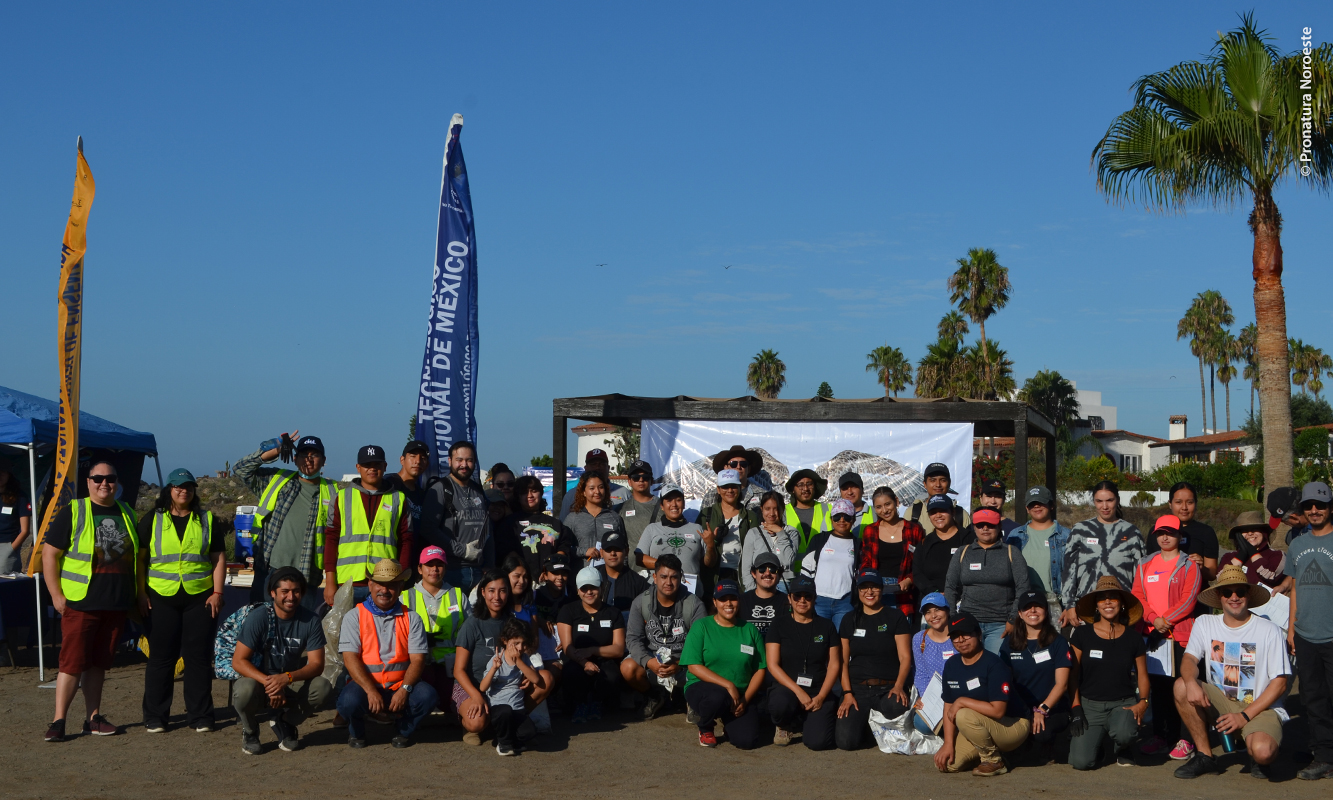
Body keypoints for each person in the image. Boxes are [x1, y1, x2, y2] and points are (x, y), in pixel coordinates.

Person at [42, 461, 143, 741]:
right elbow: (49, 555)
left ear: (117, 482)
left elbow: (137, 558)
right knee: (71, 663)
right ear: (88, 482)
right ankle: (58, 721)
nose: (104, 483)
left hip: (115, 603)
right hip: (80, 602)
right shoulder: (73, 511)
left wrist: (138, 595)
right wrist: (56, 595)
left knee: (99, 664)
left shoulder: (127, 513)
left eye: (110, 478)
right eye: (98, 478)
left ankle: (93, 718)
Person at [1172, 564, 1289, 779]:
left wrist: (1244, 715)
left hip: (1258, 706)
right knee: (1181, 685)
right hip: (1220, 702)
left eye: (1240, 592)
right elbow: (1189, 658)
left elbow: (1280, 682)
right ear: (1219, 596)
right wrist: (1190, 682)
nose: (1234, 597)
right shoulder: (1205, 622)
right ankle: (1205, 755)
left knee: (1264, 752)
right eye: (1227, 592)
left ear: (1249, 595)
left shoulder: (1268, 629)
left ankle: (1256, 749)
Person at [138, 469, 228, 733]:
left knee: (198, 658)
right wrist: (140, 593)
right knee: (161, 659)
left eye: (188, 487)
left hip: (200, 597)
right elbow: (140, 560)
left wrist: (218, 593)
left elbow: (218, 558)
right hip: (160, 597)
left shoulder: (206, 519)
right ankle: (155, 716)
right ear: (169, 490)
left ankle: (201, 716)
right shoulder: (152, 520)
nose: (183, 491)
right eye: (177, 486)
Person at [230, 567, 332, 755]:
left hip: (289, 679)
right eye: (285, 591)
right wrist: (271, 684)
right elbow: (238, 661)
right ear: (273, 593)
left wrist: (286, 678)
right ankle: (250, 730)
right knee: (243, 690)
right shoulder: (259, 617)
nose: (291, 597)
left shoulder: (310, 620)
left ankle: (286, 721)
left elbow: (317, 665)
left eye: (296, 591)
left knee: (323, 687)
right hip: (259, 680)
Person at [336, 558, 437, 748]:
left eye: (391, 585)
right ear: (370, 584)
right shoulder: (354, 616)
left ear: (400, 588)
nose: (385, 590)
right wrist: (370, 690)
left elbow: (418, 660)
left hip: (399, 685)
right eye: (380, 584)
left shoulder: (412, 618)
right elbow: (349, 658)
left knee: (427, 696)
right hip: (365, 686)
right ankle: (356, 732)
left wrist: (404, 690)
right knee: (348, 701)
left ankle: (403, 730)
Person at [234, 433, 340, 605]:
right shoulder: (278, 480)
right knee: (262, 625)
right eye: (304, 455)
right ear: (295, 458)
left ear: (323, 460)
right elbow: (240, 469)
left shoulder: (333, 492)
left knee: (298, 630)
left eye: (314, 455)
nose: (309, 460)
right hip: (270, 570)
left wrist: (330, 580)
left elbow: (334, 539)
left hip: (306, 575)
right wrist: (269, 451)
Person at [1132, 514, 1203, 759]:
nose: (1165, 537)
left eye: (1170, 533)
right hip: (1152, 636)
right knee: (1158, 689)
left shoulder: (1189, 565)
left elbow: (1189, 599)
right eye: (1161, 533)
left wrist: (1167, 620)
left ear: (1179, 536)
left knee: (1182, 689)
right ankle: (1162, 735)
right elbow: (1138, 597)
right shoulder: (1144, 564)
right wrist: (1153, 619)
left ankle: (1186, 738)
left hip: (1179, 636)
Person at [1068, 576, 1150, 770]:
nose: (1107, 602)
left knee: (1125, 733)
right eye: (1102, 598)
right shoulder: (1081, 634)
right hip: (1089, 705)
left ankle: (1122, 746)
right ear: (1096, 605)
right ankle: (1099, 743)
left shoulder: (1133, 637)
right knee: (1081, 763)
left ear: (1121, 604)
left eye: (1113, 598)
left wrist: (1143, 702)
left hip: (1123, 704)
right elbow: (1072, 675)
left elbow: (1142, 674)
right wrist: (1076, 707)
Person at [933, 611, 1028, 776]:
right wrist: (948, 743)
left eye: (966, 634)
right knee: (948, 765)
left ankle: (994, 760)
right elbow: (948, 704)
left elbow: (998, 711)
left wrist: (962, 700)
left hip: (1013, 725)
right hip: (978, 724)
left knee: (963, 714)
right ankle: (987, 750)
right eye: (955, 636)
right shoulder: (951, 665)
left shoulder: (994, 664)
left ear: (978, 633)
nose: (961, 640)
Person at [681, 578, 768, 748]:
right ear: (714, 602)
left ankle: (728, 722)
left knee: (747, 741)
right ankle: (705, 726)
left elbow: (760, 669)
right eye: (722, 599)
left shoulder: (750, 630)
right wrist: (728, 685)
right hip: (704, 688)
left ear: (739, 601)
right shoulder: (701, 626)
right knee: (717, 697)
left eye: (733, 598)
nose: (728, 603)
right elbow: (693, 665)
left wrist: (745, 699)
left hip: (739, 693)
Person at [322, 445, 412, 608]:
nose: (372, 469)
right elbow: (331, 539)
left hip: (384, 583)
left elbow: (406, 541)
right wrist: (330, 582)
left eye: (376, 465)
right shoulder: (341, 497)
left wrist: (401, 580)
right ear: (358, 467)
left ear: (384, 467)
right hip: (347, 583)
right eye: (366, 465)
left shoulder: (398, 499)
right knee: (347, 632)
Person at [836, 568, 914, 750]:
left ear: (882, 589)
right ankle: (866, 727)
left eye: (874, 587)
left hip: (888, 688)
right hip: (858, 690)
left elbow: (905, 657)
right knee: (846, 742)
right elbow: (842, 661)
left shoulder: (895, 617)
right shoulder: (849, 619)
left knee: (896, 706)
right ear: (858, 590)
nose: (869, 592)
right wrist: (847, 694)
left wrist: (898, 686)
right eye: (864, 587)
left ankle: (874, 725)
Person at [622, 554, 706, 719]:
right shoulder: (640, 603)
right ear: (654, 577)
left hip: (685, 663)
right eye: (663, 576)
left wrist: (680, 664)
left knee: (710, 664)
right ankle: (654, 696)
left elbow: (700, 644)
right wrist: (648, 661)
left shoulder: (695, 605)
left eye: (674, 577)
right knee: (627, 667)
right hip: (654, 662)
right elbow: (633, 639)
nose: (669, 582)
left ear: (681, 577)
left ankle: (691, 697)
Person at [1287, 481, 1333, 780]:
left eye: (1320, 505)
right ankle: (1324, 755)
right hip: (1304, 635)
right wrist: (1291, 630)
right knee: (1312, 697)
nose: (1314, 510)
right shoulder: (1297, 545)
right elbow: (1294, 589)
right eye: (1308, 506)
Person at [765, 574, 839, 749]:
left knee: (817, 742)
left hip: (818, 689)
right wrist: (798, 692)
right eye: (797, 596)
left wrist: (821, 696)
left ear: (815, 599)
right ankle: (784, 724)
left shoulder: (827, 626)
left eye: (808, 596)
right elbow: (772, 664)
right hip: (788, 688)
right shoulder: (779, 624)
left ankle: (806, 719)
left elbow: (835, 664)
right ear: (790, 598)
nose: (802, 600)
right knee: (780, 704)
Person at [1060, 481, 1145, 629]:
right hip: (1086, 611)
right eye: (1099, 501)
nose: (1104, 506)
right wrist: (1069, 605)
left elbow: (1140, 576)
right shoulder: (1080, 530)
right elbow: (1069, 570)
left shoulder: (1132, 532)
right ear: (1093, 502)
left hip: (1121, 612)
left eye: (1109, 500)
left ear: (1117, 500)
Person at [1000, 591, 1072, 763]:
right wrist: (1025, 712)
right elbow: (1004, 680)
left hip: (1051, 708)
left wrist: (1042, 709)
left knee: (1042, 733)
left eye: (1038, 606)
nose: (1032, 611)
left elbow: (1062, 685)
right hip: (1020, 708)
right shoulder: (1009, 643)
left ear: (1046, 611)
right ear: (1020, 613)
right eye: (1027, 607)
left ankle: (1048, 744)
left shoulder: (1058, 642)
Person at [945, 508, 1030, 654]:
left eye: (990, 524)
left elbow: (1023, 587)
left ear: (999, 526)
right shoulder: (963, 552)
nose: (985, 528)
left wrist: (1012, 619)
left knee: (995, 667)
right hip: (967, 623)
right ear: (974, 527)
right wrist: (953, 619)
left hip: (1000, 625)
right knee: (969, 666)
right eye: (980, 524)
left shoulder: (1011, 552)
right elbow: (950, 587)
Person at [455, 569, 521, 746]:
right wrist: (476, 695)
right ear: (483, 592)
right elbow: (458, 670)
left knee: (543, 679)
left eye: (502, 590)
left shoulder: (511, 621)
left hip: (504, 684)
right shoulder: (472, 623)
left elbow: (523, 653)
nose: (497, 596)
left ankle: (505, 724)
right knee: (476, 722)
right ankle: (471, 726)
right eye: (491, 590)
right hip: (472, 685)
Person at [419, 440, 492, 591]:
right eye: (459, 460)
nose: (464, 465)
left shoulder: (478, 490)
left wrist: (490, 565)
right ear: (450, 461)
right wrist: (462, 550)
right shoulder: (440, 489)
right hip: (451, 571)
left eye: (469, 460)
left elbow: (488, 531)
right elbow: (428, 529)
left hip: (479, 571)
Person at [403, 546, 467, 715]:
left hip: (450, 666)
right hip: (418, 664)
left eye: (439, 565)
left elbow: (468, 632)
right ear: (419, 568)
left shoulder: (458, 595)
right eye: (429, 565)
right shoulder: (405, 597)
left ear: (445, 568)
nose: (434, 569)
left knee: (452, 706)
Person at [557, 566, 626, 723]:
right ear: (577, 590)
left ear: (601, 587)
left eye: (593, 587)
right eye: (584, 588)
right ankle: (578, 704)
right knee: (572, 673)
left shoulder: (614, 613)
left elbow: (619, 648)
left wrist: (592, 651)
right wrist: (585, 662)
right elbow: (567, 647)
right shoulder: (568, 610)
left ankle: (598, 703)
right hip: (576, 659)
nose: (589, 592)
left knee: (611, 675)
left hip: (603, 659)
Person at [480, 616, 545, 756]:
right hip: (499, 708)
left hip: (517, 708)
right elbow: (483, 687)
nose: (520, 648)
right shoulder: (497, 659)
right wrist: (494, 669)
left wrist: (519, 661)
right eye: (516, 643)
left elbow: (535, 679)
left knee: (529, 733)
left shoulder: (524, 658)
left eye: (523, 643)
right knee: (505, 712)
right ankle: (503, 743)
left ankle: (512, 738)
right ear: (505, 641)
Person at [494, 474, 577, 584]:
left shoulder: (555, 524)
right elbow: (507, 553)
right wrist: (526, 575)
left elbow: (563, 549)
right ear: (518, 496)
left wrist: (549, 571)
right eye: (524, 492)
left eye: (534, 491)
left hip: (550, 583)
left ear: (541, 493)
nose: (530, 495)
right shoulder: (509, 523)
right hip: (522, 582)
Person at [1005, 485, 1071, 621]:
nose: (1036, 507)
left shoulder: (1066, 535)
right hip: (1024, 603)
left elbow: (1072, 573)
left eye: (1041, 503)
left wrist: (1070, 606)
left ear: (1051, 505)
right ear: (1027, 508)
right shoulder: (1015, 535)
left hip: (1055, 603)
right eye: (1032, 504)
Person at [859, 486, 924, 617]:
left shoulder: (914, 529)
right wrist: (871, 586)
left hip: (904, 593)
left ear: (896, 502)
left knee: (902, 634)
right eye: (878, 507)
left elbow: (921, 563)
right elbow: (865, 563)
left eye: (887, 504)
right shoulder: (870, 531)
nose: (884, 510)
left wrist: (909, 580)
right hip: (877, 591)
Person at [637, 483, 711, 595]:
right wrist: (668, 565)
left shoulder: (697, 528)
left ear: (684, 503)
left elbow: (709, 563)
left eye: (678, 500)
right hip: (659, 592)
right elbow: (639, 558)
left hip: (690, 592)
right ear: (662, 505)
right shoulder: (652, 528)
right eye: (669, 501)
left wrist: (710, 546)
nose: (674, 504)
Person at [801, 499, 862, 629]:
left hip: (845, 602)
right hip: (819, 600)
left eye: (847, 517)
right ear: (831, 518)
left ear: (853, 520)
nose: (842, 520)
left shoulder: (858, 544)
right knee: (819, 639)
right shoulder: (819, 539)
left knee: (842, 640)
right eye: (837, 516)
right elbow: (806, 569)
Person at [697, 469, 761, 585]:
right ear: (718, 489)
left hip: (741, 579)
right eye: (725, 487)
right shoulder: (706, 515)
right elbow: (697, 549)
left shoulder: (750, 516)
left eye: (734, 486)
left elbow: (757, 549)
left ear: (740, 487)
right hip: (712, 579)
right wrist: (713, 541)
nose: (730, 490)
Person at [1150, 481, 1219, 582]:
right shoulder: (1157, 530)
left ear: (1196, 504)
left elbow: (1212, 574)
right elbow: (1149, 569)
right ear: (1170, 504)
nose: (1184, 507)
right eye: (1178, 502)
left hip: (1197, 594)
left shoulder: (1206, 532)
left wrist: (1201, 567)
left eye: (1189, 502)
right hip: (1163, 593)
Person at [912, 494, 975, 598]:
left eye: (942, 511)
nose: (938, 515)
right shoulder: (924, 543)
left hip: (965, 601)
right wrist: (935, 593)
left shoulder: (969, 539)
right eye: (933, 512)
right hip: (933, 602)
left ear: (953, 512)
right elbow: (918, 575)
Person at [911, 593, 956, 735]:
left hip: (958, 693)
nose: (933, 615)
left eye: (937, 610)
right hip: (934, 697)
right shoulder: (919, 638)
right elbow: (921, 672)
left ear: (947, 611)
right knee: (921, 725)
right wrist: (922, 698)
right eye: (928, 612)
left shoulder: (959, 635)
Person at [564, 471, 627, 569]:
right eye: (592, 488)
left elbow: (624, 548)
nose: (597, 492)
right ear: (583, 492)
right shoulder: (573, 518)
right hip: (581, 577)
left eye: (601, 487)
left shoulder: (614, 517)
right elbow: (564, 548)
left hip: (609, 577)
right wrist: (584, 551)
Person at [740, 491, 799, 591]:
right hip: (758, 585)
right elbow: (746, 567)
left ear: (782, 510)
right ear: (761, 509)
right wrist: (751, 590)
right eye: (767, 509)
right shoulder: (753, 533)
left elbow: (787, 561)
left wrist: (781, 533)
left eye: (776, 509)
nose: (772, 513)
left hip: (782, 584)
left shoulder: (792, 533)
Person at [1219, 511, 1290, 593]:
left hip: (1267, 603)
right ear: (1238, 535)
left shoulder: (1277, 555)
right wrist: (1242, 554)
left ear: (1263, 532)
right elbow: (1222, 579)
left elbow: (1269, 575)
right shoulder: (1228, 557)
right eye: (1244, 530)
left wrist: (1251, 550)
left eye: (1255, 529)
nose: (1250, 533)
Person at [558, 448, 629, 519]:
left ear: (608, 468)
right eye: (593, 464)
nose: (597, 467)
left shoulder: (623, 493)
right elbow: (563, 524)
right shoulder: (571, 495)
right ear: (585, 468)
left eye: (601, 464)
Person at [382, 440, 430, 535]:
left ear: (427, 464)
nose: (418, 461)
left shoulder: (422, 495)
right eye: (413, 456)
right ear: (402, 460)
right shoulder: (389, 483)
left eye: (423, 458)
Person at [699, 444, 767, 511]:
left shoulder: (762, 495)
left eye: (743, 464)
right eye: (733, 464)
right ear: (725, 468)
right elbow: (702, 521)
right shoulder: (711, 497)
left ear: (748, 469)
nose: (738, 467)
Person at [596, 530, 648, 616]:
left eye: (617, 549)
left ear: (626, 551)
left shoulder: (637, 581)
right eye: (608, 550)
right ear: (601, 552)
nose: (613, 553)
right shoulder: (591, 577)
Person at [618, 460, 660, 563]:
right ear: (629, 481)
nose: (641, 480)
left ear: (652, 481)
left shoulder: (664, 507)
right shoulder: (620, 508)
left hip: (658, 570)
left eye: (645, 477)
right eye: (636, 478)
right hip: (630, 570)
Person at [910, 462, 971, 534]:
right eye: (932, 480)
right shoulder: (913, 512)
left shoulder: (961, 514)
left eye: (943, 480)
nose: (938, 485)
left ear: (949, 483)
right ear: (925, 484)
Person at [738, 552, 787, 637]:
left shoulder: (788, 602)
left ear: (779, 574)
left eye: (772, 569)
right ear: (753, 573)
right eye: (762, 569)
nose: (767, 573)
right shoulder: (741, 601)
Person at [784, 469, 831, 554]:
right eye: (800, 485)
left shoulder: (829, 510)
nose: (805, 488)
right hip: (793, 567)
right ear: (793, 489)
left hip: (822, 566)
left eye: (809, 484)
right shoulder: (783, 512)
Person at [0, 469, 32, 574]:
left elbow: (25, 530)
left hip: (7, 547)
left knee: (6, 585)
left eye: (2, 473)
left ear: (9, 474)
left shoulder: (20, 497)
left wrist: (11, 549)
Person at [534, 554, 576, 621]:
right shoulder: (534, 597)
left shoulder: (573, 599)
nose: (560, 577)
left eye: (564, 573)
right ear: (545, 575)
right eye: (555, 573)